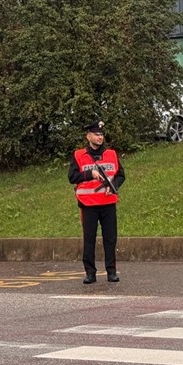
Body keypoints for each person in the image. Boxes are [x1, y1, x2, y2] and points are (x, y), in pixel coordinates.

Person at [68, 120, 125, 284]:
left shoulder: (111, 154)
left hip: (108, 202)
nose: (100, 137)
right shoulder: (79, 156)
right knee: (89, 239)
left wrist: (113, 185)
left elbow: (121, 175)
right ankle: (90, 273)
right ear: (88, 136)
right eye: (96, 134)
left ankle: (111, 272)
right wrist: (89, 174)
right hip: (88, 203)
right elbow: (72, 177)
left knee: (110, 238)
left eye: (101, 134)